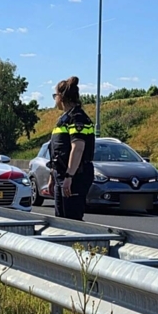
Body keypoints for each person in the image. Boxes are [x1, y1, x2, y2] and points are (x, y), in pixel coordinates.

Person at [49, 76, 95, 220]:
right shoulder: (65, 118)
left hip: (75, 176)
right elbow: (57, 150)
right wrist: (53, 176)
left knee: (72, 220)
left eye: (55, 95)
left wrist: (69, 177)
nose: (55, 99)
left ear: (61, 97)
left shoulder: (77, 118)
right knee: (60, 220)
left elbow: (78, 148)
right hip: (61, 176)